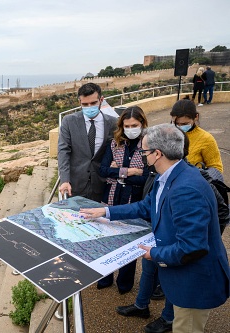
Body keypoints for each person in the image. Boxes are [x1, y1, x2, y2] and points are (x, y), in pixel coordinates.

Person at [80, 124, 230, 333]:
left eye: (144, 151)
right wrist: (106, 212)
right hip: (183, 275)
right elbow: (146, 206)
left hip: (194, 283)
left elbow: (193, 247)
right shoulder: (168, 175)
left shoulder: (186, 190)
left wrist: (155, 253)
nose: (142, 156)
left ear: (157, 154)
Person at [96, 106, 149, 293]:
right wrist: (131, 171)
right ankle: (104, 278)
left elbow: (146, 177)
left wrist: (118, 171)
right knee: (106, 240)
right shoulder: (114, 143)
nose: (130, 128)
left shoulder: (149, 145)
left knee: (129, 243)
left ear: (142, 124)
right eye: (127, 125)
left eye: (134, 125)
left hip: (132, 201)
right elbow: (103, 170)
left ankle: (124, 284)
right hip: (110, 197)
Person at [57, 82, 117, 202]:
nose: (89, 107)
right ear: (79, 102)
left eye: (93, 103)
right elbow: (63, 151)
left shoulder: (113, 123)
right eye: (85, 104)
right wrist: (64, 180)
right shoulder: (69, 122)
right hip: (75, 184)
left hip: (101, 183)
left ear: (101, 100)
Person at [170, 98, 224, 180]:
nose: (180, 127)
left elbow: (216, 168)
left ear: (196, 117)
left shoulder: (206, 139)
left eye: (185, 124)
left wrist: (198, 179)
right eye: (177, 124)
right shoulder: (167, 134)